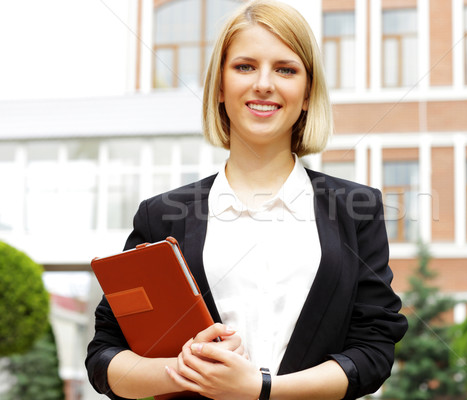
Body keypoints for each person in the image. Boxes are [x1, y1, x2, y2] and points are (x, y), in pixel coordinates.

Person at [85, 1, 408, 399]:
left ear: (307, 93)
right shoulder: (162, 215)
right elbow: (104, 357)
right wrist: (184, 370)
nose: (264, 84)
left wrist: (261, 388)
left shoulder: (356, 209)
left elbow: (373, 353)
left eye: (286, 69)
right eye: (245, 66)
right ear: (220, 87)